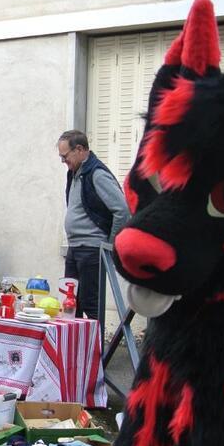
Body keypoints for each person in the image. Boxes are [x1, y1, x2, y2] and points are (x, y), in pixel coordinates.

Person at [57, 129, 130, 319]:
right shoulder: (75, 173)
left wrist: (111, 245)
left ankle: (95, 348)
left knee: (91, 304)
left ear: (79, 149)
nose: (64, 162)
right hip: (75, 248)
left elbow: (122, 210)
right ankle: (73, 347)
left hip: (91, 250)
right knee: (70, 304)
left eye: (65, 157)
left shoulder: (96, 174)